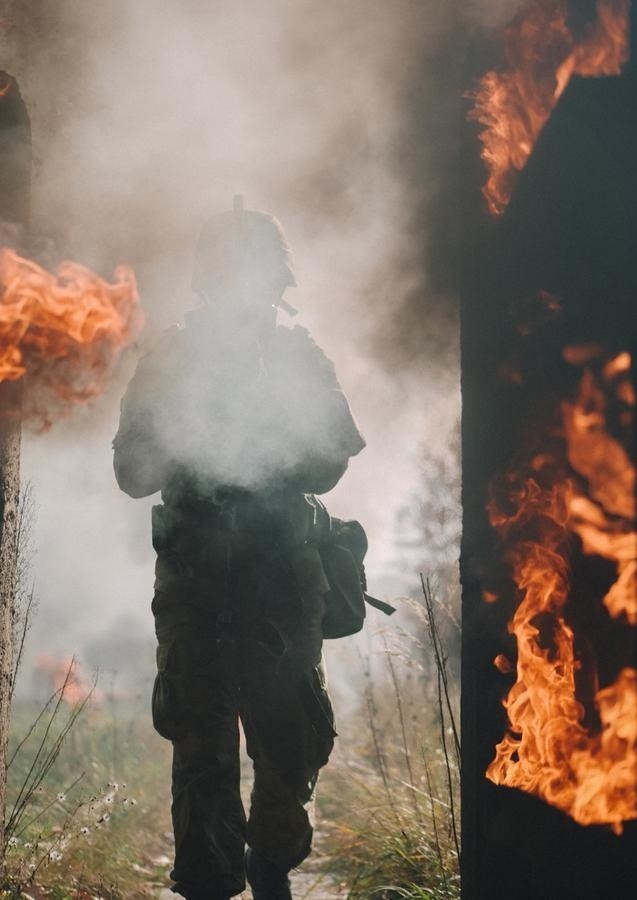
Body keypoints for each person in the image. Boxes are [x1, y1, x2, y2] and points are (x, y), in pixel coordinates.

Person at [112, 198, 365, 900]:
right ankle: (211, 882)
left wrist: (275, 442)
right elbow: (131, 472)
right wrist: (186, 433)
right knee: (203, 755)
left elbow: (330, 460)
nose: (240, 287)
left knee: (288, 751)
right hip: (198, 591)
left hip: (281, 584)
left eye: (251, 271)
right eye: (229, 271)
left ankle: (270, 868)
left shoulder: (296, 355)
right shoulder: (171, 358)